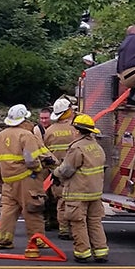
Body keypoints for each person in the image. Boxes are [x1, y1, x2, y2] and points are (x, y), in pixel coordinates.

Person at [0, 104, 56, 257]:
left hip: (8, 181)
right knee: (33, 209)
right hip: (27, 180)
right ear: (24, 119)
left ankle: (4, 240)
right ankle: (37, 239)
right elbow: (31, 160)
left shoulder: (1, 135)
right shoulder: (26, 135)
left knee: (8, 210)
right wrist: (39, 169)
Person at [51, 113, 108, 264]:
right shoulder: (96, 146)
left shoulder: (77, 148)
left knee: (78, 222)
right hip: (95, 193)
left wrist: (55, 173)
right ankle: (101, 252)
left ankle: (82, 253)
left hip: (78, 193)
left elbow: (66, 170)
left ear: (77, 131)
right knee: (95, 221)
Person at [43, 95, 80, 240]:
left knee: (60, 201)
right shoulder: (76, 129)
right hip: (74, 171)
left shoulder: (50, 131)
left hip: (56, 173)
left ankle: (63, 229)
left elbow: (45, 151)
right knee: (73, 202)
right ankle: (71, 228)